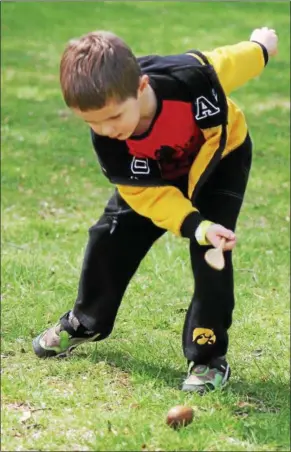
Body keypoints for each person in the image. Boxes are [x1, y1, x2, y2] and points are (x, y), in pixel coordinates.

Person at [32, 26, 278, 394]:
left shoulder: (189, 77)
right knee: (109, 236)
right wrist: (195, 223)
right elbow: (148, 198)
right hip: (156, 182)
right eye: (92, 122)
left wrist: (260, 47)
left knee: (212, 252)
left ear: (142, 87)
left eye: (114, 117)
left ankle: (207, 357)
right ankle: (87, 320)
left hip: (218, 163)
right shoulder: (110, 142)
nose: (105, 129)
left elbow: (230, 63)